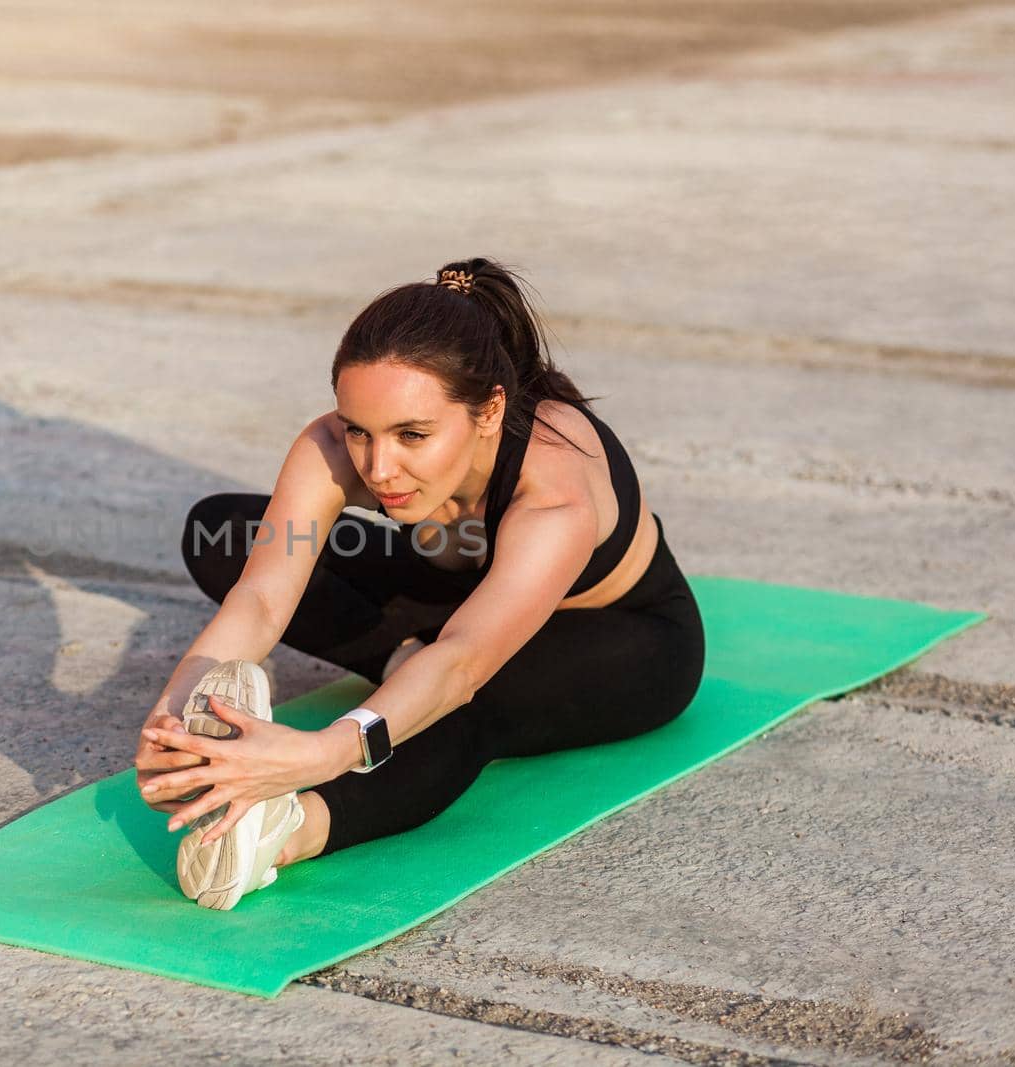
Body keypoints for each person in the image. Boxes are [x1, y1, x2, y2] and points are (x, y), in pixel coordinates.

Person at [133, 257, 706, 910]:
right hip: (455, 605)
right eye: (359, 430)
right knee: (225, 532)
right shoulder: (341, 447)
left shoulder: (554, 491)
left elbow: (462, 664)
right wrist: (171, 711)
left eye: (413, 435)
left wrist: (321, 753)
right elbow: (263, 596)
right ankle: (402, 663)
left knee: (463, 698)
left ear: (489, 409)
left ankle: (286, 829)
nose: (380, 467)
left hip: (626, 637)